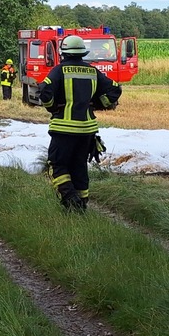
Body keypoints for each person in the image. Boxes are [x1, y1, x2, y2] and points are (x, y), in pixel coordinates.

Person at [38, 34, 122, 211]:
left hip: (64, 129)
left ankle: (70, 199)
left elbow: (45, 91)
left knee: (57, 165)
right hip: (87, 131)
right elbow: (115, 89)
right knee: (79, 166)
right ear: (82, 53)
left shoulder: (59, 70)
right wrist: (98, 104)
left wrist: (53, 108)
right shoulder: (92, 71)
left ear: (64, 53)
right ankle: (81, 206)